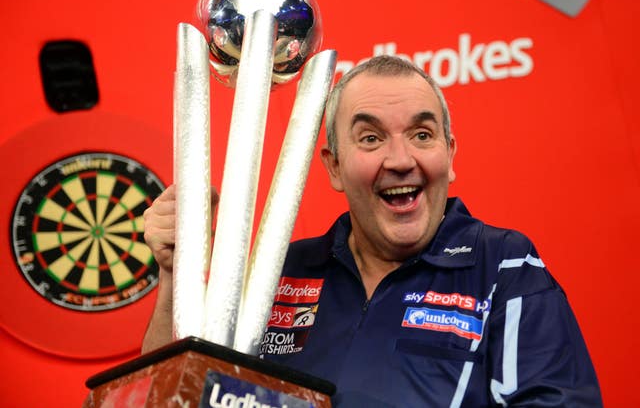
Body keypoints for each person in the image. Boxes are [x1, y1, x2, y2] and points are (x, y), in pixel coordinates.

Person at [142, 55, 602, 406]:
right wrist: (174, 277)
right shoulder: (277, 273)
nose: (401, 159)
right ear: (335, 166)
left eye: (422, 135)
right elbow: (168, 397)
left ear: (450, 153)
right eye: (370, 138)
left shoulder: (504, 265)